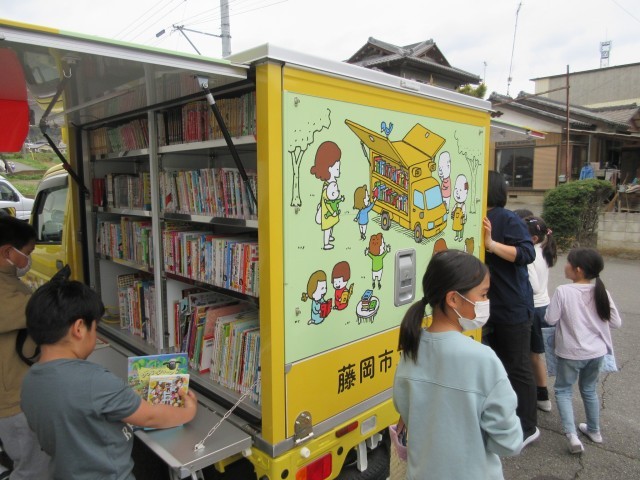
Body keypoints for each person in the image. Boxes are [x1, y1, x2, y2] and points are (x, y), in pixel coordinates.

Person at [21, 280, 198, 480]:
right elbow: (150, 417)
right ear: (79, 328)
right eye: (95, 328)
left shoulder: (29, 381)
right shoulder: (94, 381)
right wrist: (188, 412)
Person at [394, 250, 523, 479]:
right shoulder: (483, 359)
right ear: (453, 299)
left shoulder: (411, 351)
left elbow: (406, 413)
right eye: (483, 294)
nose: (486, 302)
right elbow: (508, 443)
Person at [545, 248, 622, 454]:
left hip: (570, 352)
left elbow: (550, 319)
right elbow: (616, 322)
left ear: (578, 270)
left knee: (563, 390)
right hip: (596, 353)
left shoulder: (563, 291)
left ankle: (572, 435)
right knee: (589, 389)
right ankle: (594, 431)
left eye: (568, 262)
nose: (565, 266)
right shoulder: (602, 292)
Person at [483, 171, 539, 447]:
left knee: (517, 367)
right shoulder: (476, 216)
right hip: (487, 307)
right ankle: (504, 418)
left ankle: (528, 426)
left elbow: (527, 253)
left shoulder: (507, 218)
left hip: (513, 306)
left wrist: (492, 245)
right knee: (497, 367)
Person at [0, 216, 52, 479]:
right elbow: (31, 312)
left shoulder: (8, 279)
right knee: (33, 470)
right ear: (8, 252)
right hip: (13, 399)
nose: (28, 261)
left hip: (22, 390)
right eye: (27, 254)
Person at [515, 212, 558, 412]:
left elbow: (534, 286)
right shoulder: (543, 250)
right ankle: (541, 394)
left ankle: (541, 396)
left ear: (532, 238)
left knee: (532, 356)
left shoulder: (530, 255)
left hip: (534, 308)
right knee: (535, 355)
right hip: (543, 306)